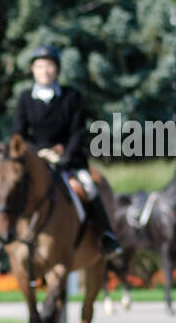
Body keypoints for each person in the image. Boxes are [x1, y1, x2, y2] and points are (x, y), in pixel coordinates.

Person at [12, 44, 120, 257]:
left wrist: (64, 157)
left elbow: (78, 132)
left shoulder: (72, 96)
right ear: (33, 70)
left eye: (49, 66)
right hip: (37, 160)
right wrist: (38, 153)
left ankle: (107, 236)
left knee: (89, 187)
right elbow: (19, 134)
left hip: (69, 161)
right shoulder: (25, 98)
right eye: (40, 66)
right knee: (12, 189)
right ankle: (0, 239)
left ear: (57, 69)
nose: (45, 71)